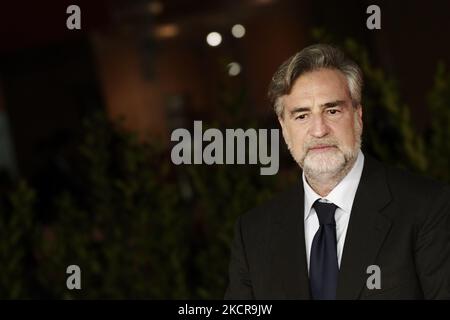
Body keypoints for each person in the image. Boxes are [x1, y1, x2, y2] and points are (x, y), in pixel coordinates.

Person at [224, 44, 450, 300]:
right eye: (301, 116)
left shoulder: (428, 207)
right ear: (284, 127)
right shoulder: (253, 233)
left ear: (358, 116)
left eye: (332, 111)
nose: (319, 130)